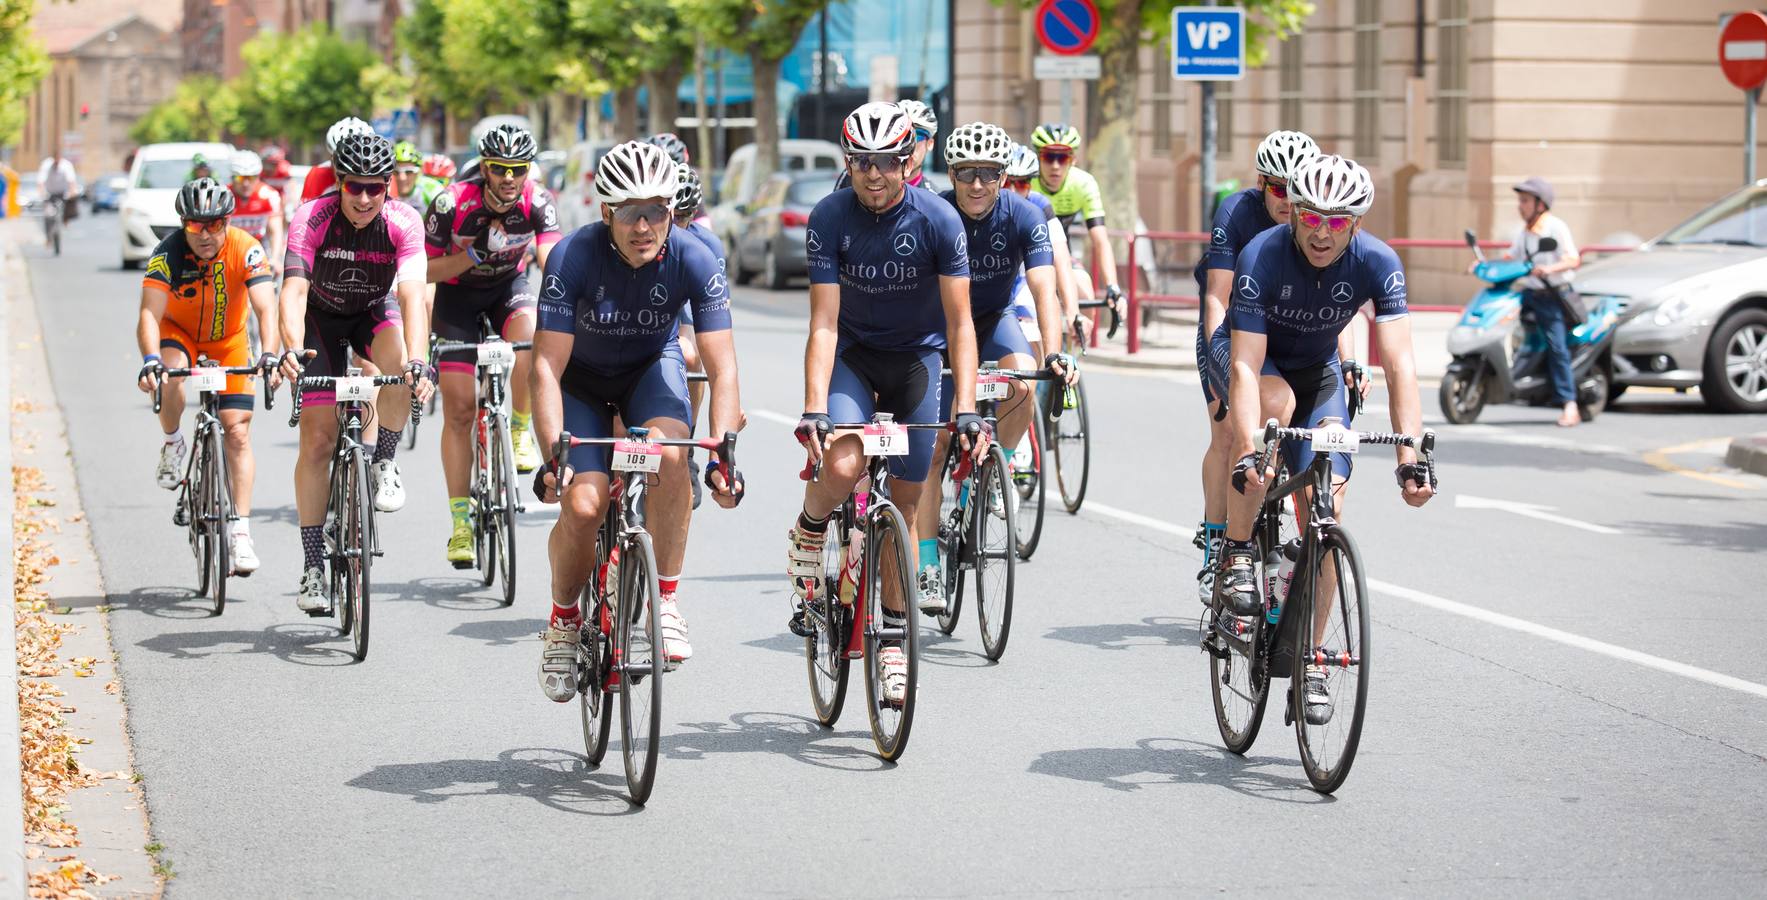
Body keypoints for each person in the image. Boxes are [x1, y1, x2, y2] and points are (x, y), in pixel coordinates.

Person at [1208, 154, 1435, 721]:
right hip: (1249, 360)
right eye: (1310, 217)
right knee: (1272, 413)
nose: (1321, 232)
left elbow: (1401, 362)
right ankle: (1238, 551)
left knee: (1327, 504)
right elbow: (1243, 368)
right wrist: (1247, 450)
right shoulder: (1263, 253)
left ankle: (1311, 659)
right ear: (1294, 214)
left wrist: (1411, 453)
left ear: (1356, 223)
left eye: (1337, 222)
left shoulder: (1379, 261)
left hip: (1318, 372)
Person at [529, 140, 745, 701]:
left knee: (674, 455)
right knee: (582, 504)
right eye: (630, 212)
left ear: (673, 213)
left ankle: (666, 599)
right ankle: (563, 621)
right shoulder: (573, 256)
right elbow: (547, 369)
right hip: (581, 383)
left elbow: (723, 369)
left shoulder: (695, 257)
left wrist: (723, 454)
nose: (645, 225)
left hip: (650, 371)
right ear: (606, 213)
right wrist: (555, 454)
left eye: (657, 210)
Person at [786, 101, 985, 706]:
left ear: (908, 160)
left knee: (902, 505)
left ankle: (894, 641)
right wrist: (815, 405)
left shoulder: (939, 219)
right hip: (853, 355)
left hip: (916, 362)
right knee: (843, 467)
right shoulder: (829, 215)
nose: (874, 174)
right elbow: (822, 323)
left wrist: (969, 403)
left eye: (888, 161)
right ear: (849, 162)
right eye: (862, 162)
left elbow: (961, 324)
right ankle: (811, 528)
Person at [912, 122, 1074, 612]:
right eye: (966, 173)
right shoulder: (932, 212)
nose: (977, 184)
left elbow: (1043, 289)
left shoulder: (1025, 216)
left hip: (994, 319)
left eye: (987, 173)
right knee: (934, 444)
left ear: (1003, 176)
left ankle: (994, 463)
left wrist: (1054, 351)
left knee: (1023, 380)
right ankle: (926, 566)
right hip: (937, 327)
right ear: (952, 174)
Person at [276, 133, 435, 614]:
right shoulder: (312, 217)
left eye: (375, 187)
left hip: (371, 309)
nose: (364, 198)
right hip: (318, 321)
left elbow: (411, 298)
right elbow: (293, 293)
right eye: (353, 187)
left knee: (398, 365)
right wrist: (289, 350)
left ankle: (384, 461)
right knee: (319, 441)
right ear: (338, 183)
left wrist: (419, 361)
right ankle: (311, 568)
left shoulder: (404, 221)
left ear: (389, 185)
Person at [1192, 130, 1319, 605]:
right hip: (1229, 330)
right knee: (1227, 435)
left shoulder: (1315, 220)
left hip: (1286, 335)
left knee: (1279, 422)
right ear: (1263, 185)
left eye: (1297, 187)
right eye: (1279, 188)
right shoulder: (1236, 212)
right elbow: (1216, 298)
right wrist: (1217, 373)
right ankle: (1215, 548)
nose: (1289, 199)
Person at [426, 124, 561, 566]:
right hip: (456, 298)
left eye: (517, 169)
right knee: (461, 410)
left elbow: (552, 260)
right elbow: (424, 272)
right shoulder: (451, 203)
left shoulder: (538, 201)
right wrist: (473, 256)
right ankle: (460, 524)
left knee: (532, 337)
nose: (508, 177)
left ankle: (519, 427)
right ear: (484, 167)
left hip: (508, 289)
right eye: (499, 168)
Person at [136, 179, 280, 574]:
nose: (204, 234)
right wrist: (150, 360)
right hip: (178, 334)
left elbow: (267, 308)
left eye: (214, 225)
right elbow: (149, 313)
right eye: (195, 226)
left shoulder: (247, 248)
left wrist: (269, 354)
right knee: (170, 378)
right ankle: (173, 443)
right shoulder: (167, 253)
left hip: (229, 340)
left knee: (237, 433)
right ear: (183, 224)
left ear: (227, 222)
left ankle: (240, 533)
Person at [1506, 176, 1584, 427]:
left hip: (1552, 296)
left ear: (1541, 204)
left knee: (1556, 348)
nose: (1521, 206)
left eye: (1526, 201)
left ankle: (1569, 404)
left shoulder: (1554, 227)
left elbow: (1573, 259)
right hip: (1529, 294)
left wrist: (1549, 270)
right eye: (1520, 201)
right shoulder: (1525, 232)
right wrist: (1486, 264)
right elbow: (1513, 257)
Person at [1028, 123, 1124, 322]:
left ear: (1073, 160)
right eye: (1048, 157)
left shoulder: (1083, 184)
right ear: (1038, 157)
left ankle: (1076, 347)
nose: (1056, 165)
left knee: (1086, 293)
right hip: (1026, 257)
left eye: (1063, 158)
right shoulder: (1026, 182)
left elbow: (1100, 240)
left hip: (1063, 254)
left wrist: (1112, 286)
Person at [672, 161, 720, 504]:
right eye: (670, 217)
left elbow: (712, 326)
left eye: (684, 218)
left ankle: (686, 445)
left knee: (693, 356)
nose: (676, 228)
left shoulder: (705, 248)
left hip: (681, 308)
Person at [227, 150, 284, 275]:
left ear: (258, 176)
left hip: (259, 250)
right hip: (232, 250)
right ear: (232, 177)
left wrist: (275, 259)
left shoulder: (269, 195)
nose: (246, 183)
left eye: (251, 177)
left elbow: (275, 231)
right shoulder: (224, 196)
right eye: (240, 177)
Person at [300, 116, 375, 205]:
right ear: (331, 159)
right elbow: (306, 215)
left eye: (357, 161)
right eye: (342, 162)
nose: (347, 169)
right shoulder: (317, 174)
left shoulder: (382, 176)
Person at [37, 148, 80, 246]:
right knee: (48, 215)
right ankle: (48, 238)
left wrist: (72, 191)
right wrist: (41, 192)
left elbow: (71, 181)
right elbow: (40, 181)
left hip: (62, 193)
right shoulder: (46, 165)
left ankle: (66, 218)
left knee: (72, 200)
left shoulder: (66, 165)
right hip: (50, 193)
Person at [390, 141, 424, 208]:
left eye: (408, 172)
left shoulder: (431, 191)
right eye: (396, 172)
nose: (402, 178)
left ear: (418, 173)